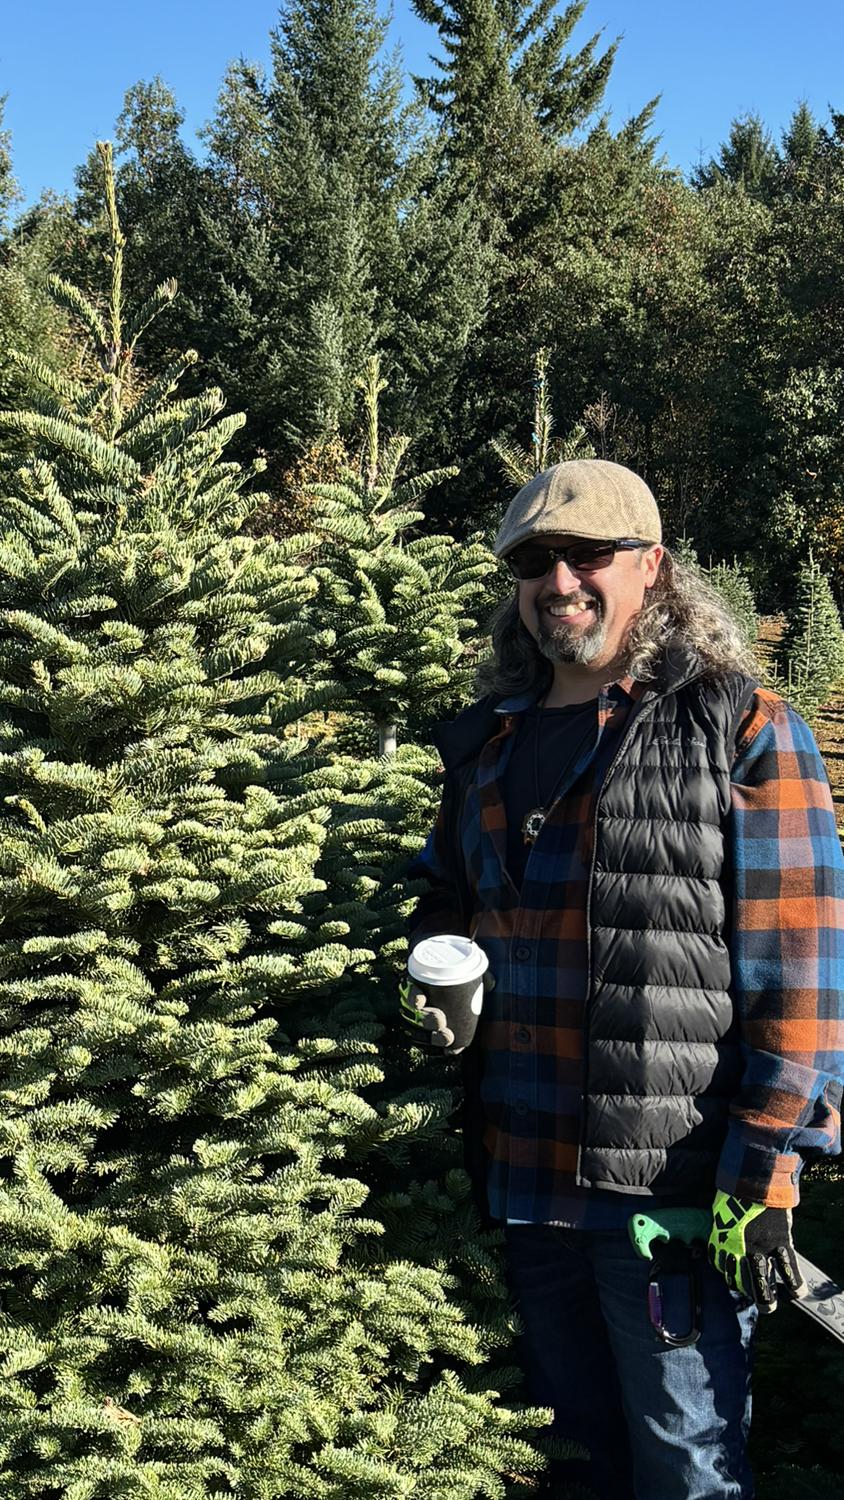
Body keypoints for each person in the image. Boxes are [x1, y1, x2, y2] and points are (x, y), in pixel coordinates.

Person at [403, 459, 844, 1500]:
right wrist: (435, 972)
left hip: (670, 1198)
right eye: (533, 562)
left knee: (687, 1467)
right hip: (523, 1179)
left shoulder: (738, 726)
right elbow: (443, 892)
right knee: (572, 1461)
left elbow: (802, 972)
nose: (559, 583)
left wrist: (768, 1173)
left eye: (588, 555)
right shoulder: (491, 738)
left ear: (652, 565)